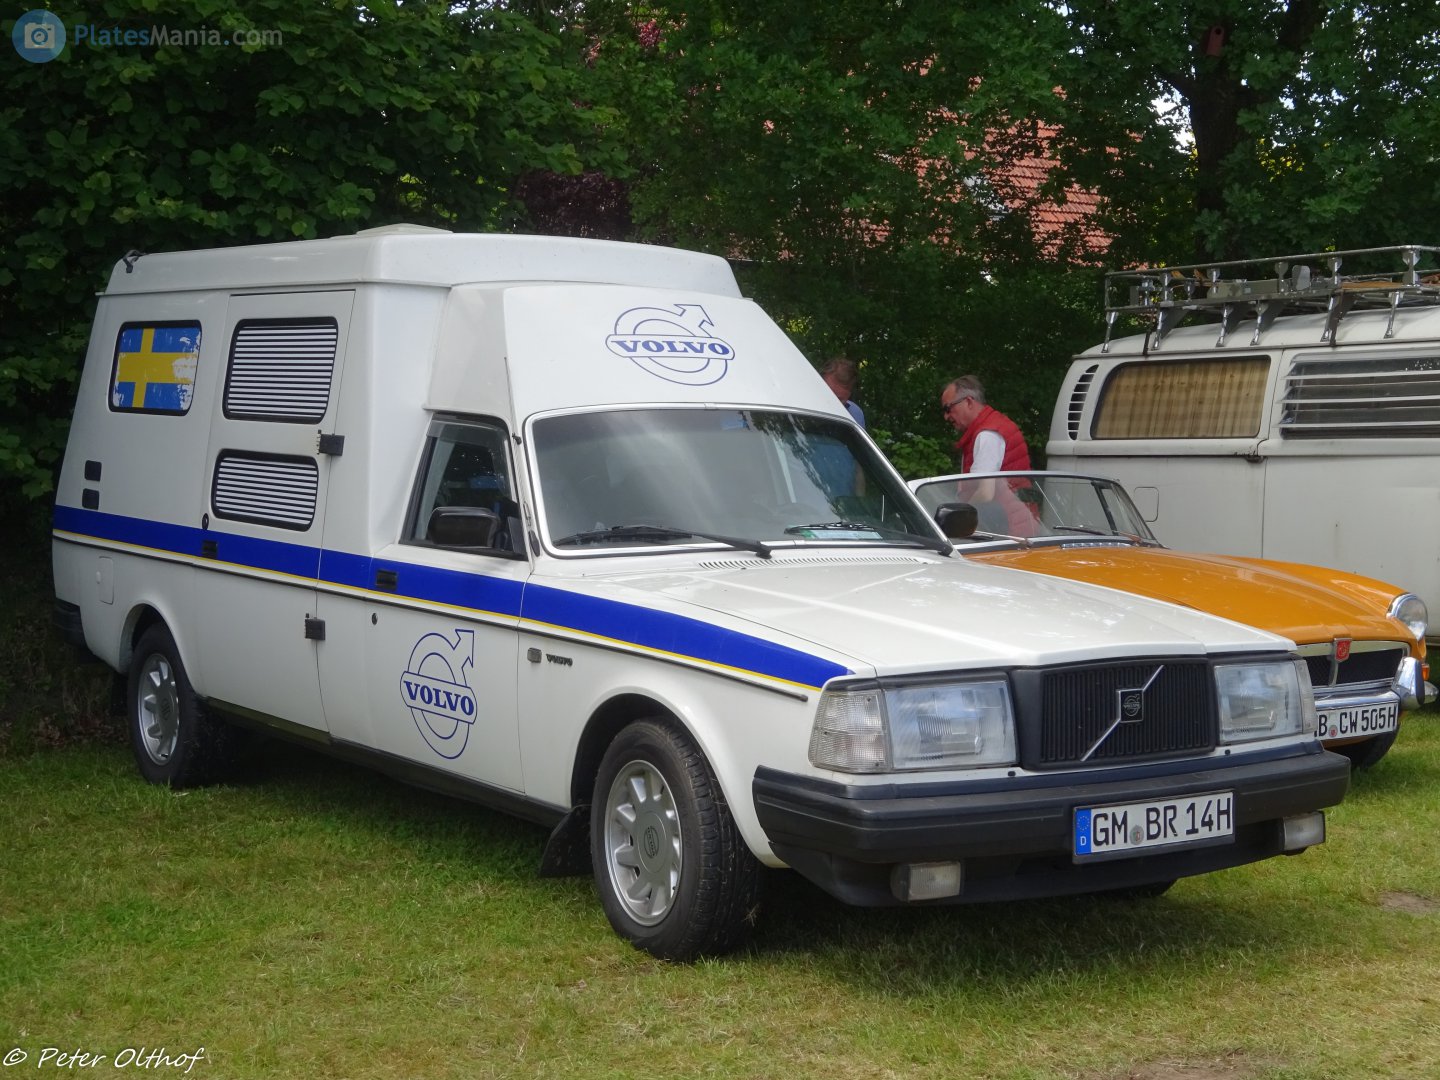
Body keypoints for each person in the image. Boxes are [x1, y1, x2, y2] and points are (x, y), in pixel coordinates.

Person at [940, 374, 1035, 535]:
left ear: (968, 402)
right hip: (1015, 523)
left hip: (1006, 531)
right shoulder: (991, 426)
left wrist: (957, 518)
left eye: (948, 408)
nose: (946, 416)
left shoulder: (987, 435)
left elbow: (985, 494)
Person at [821, 358, 865, 428]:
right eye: (827, 393)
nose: (830, 402)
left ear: (849, 394)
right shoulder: (803, 404)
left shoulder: (855, 414)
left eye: (838, 400)